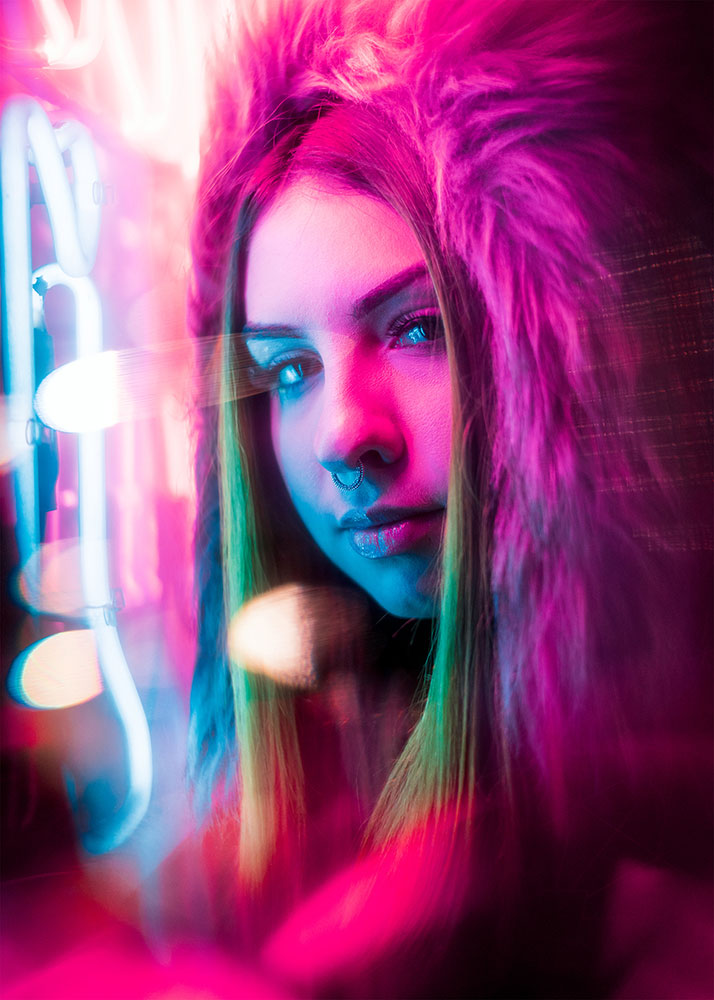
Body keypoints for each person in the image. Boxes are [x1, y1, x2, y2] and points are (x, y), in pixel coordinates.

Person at [185, 1, 712, 995]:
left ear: (568, 358)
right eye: (289, 370)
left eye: (417, 327)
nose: (345, 435)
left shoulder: (667, 904)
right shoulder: (274, 847)